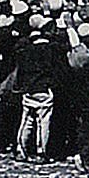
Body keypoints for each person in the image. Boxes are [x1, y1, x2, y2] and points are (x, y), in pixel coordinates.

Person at [14, 15, 63, 163]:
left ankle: (21, 150)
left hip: (29, 87)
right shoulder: (52, 49)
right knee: (44, 122)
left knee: (26, 120)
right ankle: (41, 152)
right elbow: (56, 70)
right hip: (44, 87)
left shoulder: (26, 50)